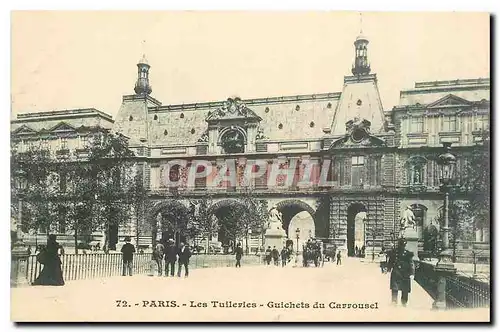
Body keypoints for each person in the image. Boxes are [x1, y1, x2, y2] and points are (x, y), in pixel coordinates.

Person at [387, 238, 415, 307]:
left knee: (405, 288)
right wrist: (388, 268)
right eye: (401, 245)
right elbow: (390, 261)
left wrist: (412, 273)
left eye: (403, 245)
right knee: (394, 288)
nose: (402, 246)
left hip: (405, 273)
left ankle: (404, 302)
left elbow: (411, 264)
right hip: (396, 271)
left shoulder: (408, 254)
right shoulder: (394, 252)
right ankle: (394, 301)